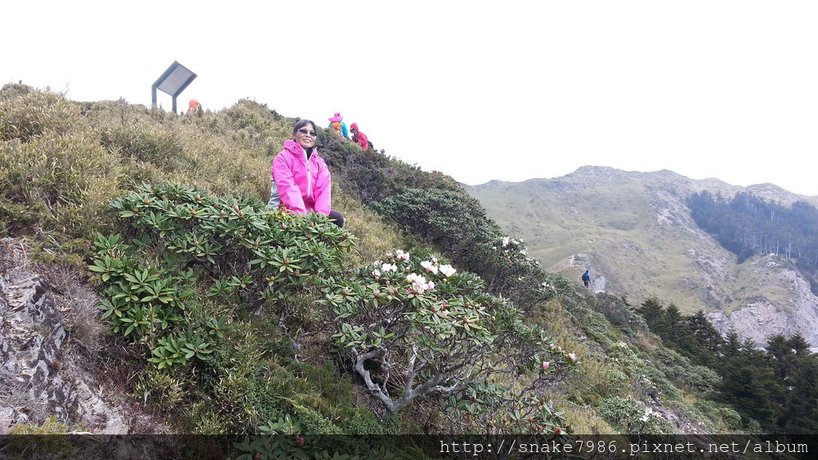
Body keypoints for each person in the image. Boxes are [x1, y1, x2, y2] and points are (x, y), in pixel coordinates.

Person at [269, 119, 345, 228]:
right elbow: (288, 188)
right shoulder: (282, 158)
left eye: (312, 133)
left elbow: (323, 193)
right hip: (285, 208)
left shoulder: (320, 164)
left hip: (310, 212)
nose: (308, 135)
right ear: (295, 135)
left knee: (338, 219)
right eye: (304, 131)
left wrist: (319, 220)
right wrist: (302, 218)